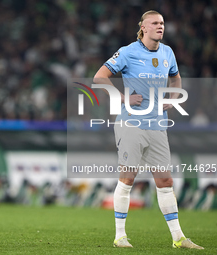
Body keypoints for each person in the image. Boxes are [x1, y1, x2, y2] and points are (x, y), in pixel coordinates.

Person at [93, 10, 203, 249]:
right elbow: (99, 77)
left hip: (157, 125)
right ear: (143, 27)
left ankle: (178, 238)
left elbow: (176, 79)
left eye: (162, 23)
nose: (160, 26)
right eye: (154, 23)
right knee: (128, 178)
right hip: (131, 123)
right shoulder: (127, 52)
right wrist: (122, 98)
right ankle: (120, 236)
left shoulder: (167, 53)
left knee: (165, 180)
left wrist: (172, 99)